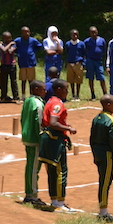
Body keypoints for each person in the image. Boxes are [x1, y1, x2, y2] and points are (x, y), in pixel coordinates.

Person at [39, 80, 76, 211]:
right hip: (55, 139)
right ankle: (60, 203)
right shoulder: (57, 104)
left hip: (48, 138)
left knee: (52, 172)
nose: (67, 92)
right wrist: (68, 128)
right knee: (61, 171)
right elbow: (54, 123)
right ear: (59, 89)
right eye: (66, 89)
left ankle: (54, 200)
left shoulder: (49, 101)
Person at [90, 94, 113, 222]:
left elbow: (91, 139)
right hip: (108, 155)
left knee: (102, 181)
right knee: (105, 183)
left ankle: (102, 209)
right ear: (108, 105)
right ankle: (103, 213)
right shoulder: (110, 120)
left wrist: (94, 154)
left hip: (98, 153)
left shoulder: (96, 118)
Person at [20, 80, 47, 206]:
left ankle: (29, 193)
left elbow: (22, 119)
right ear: (36, 89)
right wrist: (43, 138)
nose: (45, 91)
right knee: (34, 168)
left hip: (27, 136)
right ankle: (32, 195)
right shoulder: (37, 103)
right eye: (43, 89)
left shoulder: (27, 101)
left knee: (30, 166)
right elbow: (39, 122)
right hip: (35, 139)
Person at [15, 26, 42, 99]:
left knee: (31, 81)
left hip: (31, 63)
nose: (27, 33)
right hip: (22, 63)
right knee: (23, 80)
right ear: (22, 33)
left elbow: (39, 46)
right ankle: (23, 96)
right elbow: (14, 46)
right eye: (25, 32)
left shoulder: (33, 40)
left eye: (28, 32)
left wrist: (33, 51)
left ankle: (31, 95)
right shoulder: (18, 40)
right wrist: (18, 52)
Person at [84, 26, 108, 101]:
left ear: (97, 32)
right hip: (90, 60)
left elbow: (104, 49)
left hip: (98, 61)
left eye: (95, 32)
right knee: (91, 78)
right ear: (90, 33)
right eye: (92, 32)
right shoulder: (87, 41)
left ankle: (105, 93)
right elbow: (84, 51)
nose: (94, 34)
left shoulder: (102, 40)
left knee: (101, 77)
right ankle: (93, 94)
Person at [64, 29, 86, 101]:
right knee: (71, 80)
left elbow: (84, 54)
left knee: (78, 80)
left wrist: (83, 63)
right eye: (73, 35)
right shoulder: (68, 44)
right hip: (70, 64)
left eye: (76, 34)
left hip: (78, 64)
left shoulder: (81, 44)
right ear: (71, 35)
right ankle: (73, 95)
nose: (75, 36)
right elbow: (67, 52)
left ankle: (77, 95)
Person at [0, 31, 18, 102]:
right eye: (6, 38)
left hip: (12, 65)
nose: (8, 39)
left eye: (10, 38)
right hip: (4, 65)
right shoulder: (1, 44)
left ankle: (16, 97)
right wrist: (10, 44)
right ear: (3, 38)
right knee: (3, 82)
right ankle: (3, 96)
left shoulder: (14, 45)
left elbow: (9, 51)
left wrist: (8, 46)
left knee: (14, 82)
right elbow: (4, 50)